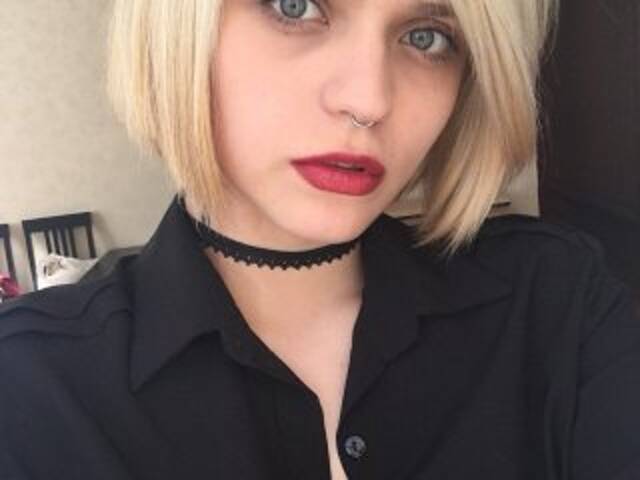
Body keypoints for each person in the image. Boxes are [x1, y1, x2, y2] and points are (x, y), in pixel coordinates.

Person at [1, 0, 639, 479]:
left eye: (426, 37)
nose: (368, 100)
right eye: (295, 6)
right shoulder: (32, 391)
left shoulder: (556, 303)